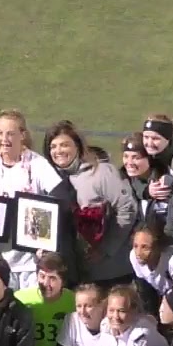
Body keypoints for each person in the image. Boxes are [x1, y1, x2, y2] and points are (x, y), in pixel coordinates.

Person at [0, 110, 69, 290]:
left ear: (22, 135)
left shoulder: (38, 165)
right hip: (1, 260)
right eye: (0, 133)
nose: (4, 139)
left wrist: (46, 238)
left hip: (32, 261)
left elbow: (62, 200)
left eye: (11, 133)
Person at [43, 121, 138, 287]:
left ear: (78, 146)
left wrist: (106, 249)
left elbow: (127, 209)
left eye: (64, 145)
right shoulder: (53, 181)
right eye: (53, 147)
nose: (58, 151)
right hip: (77, 274)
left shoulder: (102, 172)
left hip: (111, 274)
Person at [129, 217, 173, 315]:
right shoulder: (134, 257)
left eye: (145, 247)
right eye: (136, 246)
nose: (138, 253)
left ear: (159, 247)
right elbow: (145, 292)